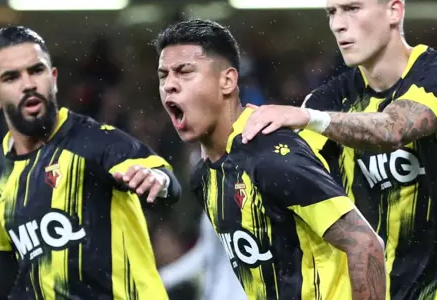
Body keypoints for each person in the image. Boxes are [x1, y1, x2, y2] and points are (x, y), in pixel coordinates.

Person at [240, 0, 437, 300]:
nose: (338, 24)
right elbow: (293, 181)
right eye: (332, 12)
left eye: (352, 9)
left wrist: (309, 119)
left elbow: (392, 129)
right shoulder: (329, 99)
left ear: (394, 11)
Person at [154, 19, 386, 300]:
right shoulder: (203, 176)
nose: (169, 85)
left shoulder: (271, 155)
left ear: (227, 80)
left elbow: (365, 244)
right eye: (163, 75)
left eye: (184, 72)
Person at [0, 26, 181, 300]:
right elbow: (5, 258)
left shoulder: (95, 141)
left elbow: (165, 179)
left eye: (36, 71)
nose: (28, 84)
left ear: (53, 78)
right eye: (11, 77)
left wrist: (158, 179)